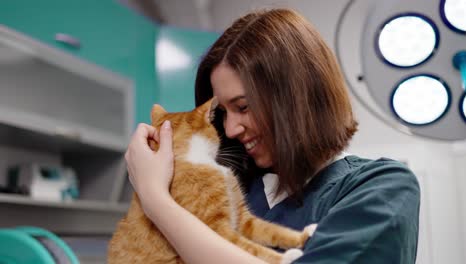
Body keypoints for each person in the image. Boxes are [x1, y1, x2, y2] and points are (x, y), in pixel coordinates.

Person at [125, 8, 420, 264]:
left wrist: (155, 198)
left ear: (296, 97)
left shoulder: (380, 189)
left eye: (243, 107)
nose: (230, 129)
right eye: (222, 113)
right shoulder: (233, 190)